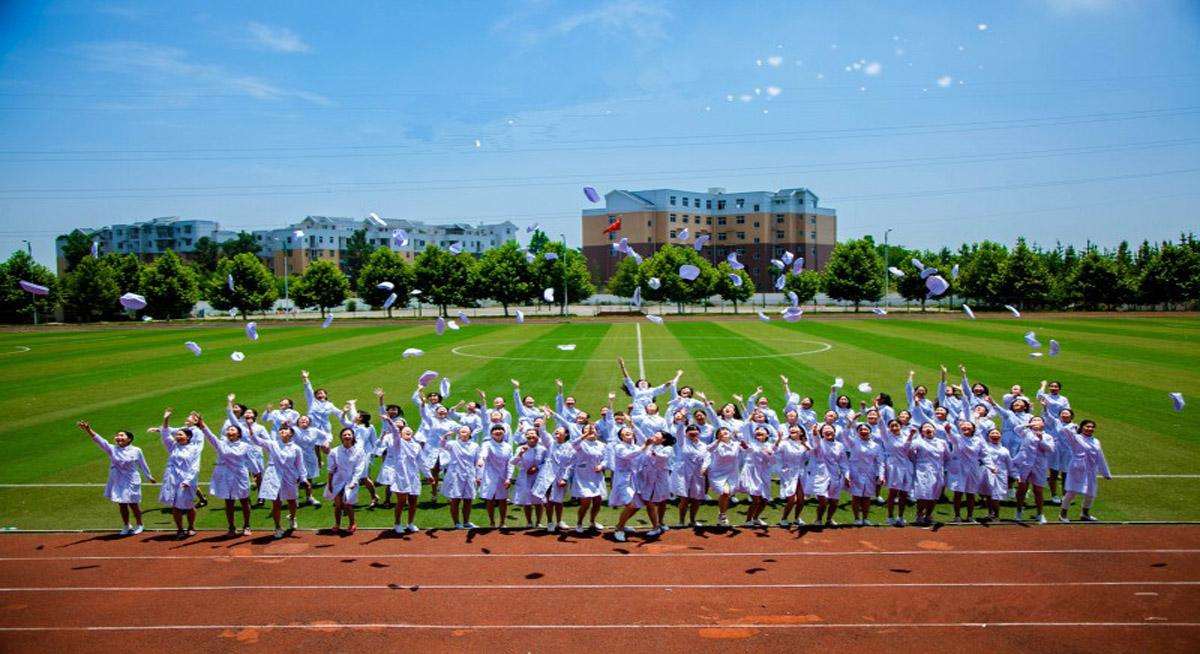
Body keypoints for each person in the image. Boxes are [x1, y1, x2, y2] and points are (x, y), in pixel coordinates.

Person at [78, 420, 154, 535]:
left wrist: (149, 476)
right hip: (117, 479)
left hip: (131, 479)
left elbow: (142, 464)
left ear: (129, 439)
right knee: (121, 503)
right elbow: (99, 440)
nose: (118, 437)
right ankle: (126, 525)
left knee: (133, 504)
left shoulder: (136, 450)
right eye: (117, 435)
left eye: (122, 435)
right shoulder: (112, 449)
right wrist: (88, 429)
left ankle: (140, 524)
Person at [247, 420, 306, 539]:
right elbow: (257, 441)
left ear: (291, 434)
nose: (282, 431)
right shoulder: (273, 444)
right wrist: (250, 429)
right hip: (274, 474)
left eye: (285, 430)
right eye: (281, 430)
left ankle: (292, 517)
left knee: (292, 501)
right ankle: (278, 527)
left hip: (289, 474)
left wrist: (303, 478)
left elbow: (300, 465)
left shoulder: (296, 448)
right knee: (276, 502)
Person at [208, 400, 257, 535]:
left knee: (244, 500)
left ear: (239, 434)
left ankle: (247, 525)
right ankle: (231, 527)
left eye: (233, 429)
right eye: (229, 429)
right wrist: (202, 425)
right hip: (225, 474)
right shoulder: (221, 443)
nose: (230, 431)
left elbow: (251, 460)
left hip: (240, 474)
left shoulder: (245, 445)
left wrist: (256, 473)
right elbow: (210, 436)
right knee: (229, 501)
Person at [1049, 417, 1112, 522]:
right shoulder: (1076, 438)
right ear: (1082, 427)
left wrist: (1105, 472)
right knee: (1072, 491)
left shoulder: (1096, 441)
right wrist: (1072, 425)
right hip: (1078, 468)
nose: (1090, 429)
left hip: (1091, 469)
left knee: (1091, 493)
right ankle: (1063, 514)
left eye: (1092, 427)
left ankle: (1085, 514)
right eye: (1087, 426)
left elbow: (1100, 456)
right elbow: (1063, 430)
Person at [157, 409, 203, 538]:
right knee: (175, 505)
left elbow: (195, 466)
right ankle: (180, 529)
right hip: (172, 479)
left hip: (187, 480)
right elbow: (165, 435)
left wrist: (188, 481)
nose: (177, 436)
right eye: (177, 434)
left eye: (180, 434)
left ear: (188, 437)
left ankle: (191, 527)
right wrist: (166, 419)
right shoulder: (173, 446)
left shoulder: (194, 449)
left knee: (188, 505)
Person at [379, 417, 423, 533]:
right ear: (401, 434)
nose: (408, 432)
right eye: (405, 431)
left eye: (410, 431)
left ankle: (410, 523)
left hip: (414, 477)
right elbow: (394, 431)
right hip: (401, 477)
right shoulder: (398, 443)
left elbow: (421, 462)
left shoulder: (417, 446)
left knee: (413, 501)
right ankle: (397, 524)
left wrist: (429, 475)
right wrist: (389, 420)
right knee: (401, 501)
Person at [839, 420, 885, 526]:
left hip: (870, 473)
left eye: (865, 429)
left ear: (870, 431)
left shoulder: (876, 446)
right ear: (857, 432)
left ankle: (865, 518)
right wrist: (850, 421)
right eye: (860, 430)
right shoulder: (853, 442)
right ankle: (857, 518)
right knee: (856, 496)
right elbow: (844, 434)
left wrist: (881, 475)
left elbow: (880, 462)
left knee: (867, 497)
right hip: (855, 472)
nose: (863, 431)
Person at [532, 421, 575, 532]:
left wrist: (565, 478)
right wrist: (544, 419)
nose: (556, 432)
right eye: (556, 431)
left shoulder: (569, 447)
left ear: (566, 434)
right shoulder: (551, 443)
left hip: (560, 476)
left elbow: (569, 465)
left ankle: (560, 521)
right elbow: (542, 432)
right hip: (548, 475)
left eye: (559, 431)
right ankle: (550, 522)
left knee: (559, 501)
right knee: (549, 500)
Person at [629, 431, 673, 538]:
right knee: (648, 501)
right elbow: (640, 437)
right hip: (647, 477)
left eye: (657, 435)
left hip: (661, 477)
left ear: (663, 439)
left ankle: (661, 523)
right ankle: (655, 526)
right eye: (653, 434)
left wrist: (652, 451)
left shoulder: (668, 448)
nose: (653, 436)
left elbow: (663, 457)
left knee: (662, 500)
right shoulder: (649, 445)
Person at [325, 427, 367, 534]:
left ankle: (352, 523)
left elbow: (359, 468)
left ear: (353, 437)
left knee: (348, 503)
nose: (347, 436)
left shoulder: (359, 451)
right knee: (338, 504)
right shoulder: (334, 451)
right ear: (341, 437)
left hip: (351, 480)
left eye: (349, 434)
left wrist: (354, 481)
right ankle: (337, 524)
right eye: (345, 435)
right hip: (337, 480)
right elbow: (330, 469)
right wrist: (329, 484)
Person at [339, 400, 380, 508]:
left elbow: (374, 441)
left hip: (363, 455)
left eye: (358, 414)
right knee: (349, 476)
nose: (355, 415)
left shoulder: (369, 427)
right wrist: (344, 411)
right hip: (350, 454)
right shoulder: (352, 426)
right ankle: (349, 499)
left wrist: (373, 454)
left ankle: (374, 496)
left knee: (364, 478)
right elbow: (343, 420)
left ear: (361, 418)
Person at [807, 423, 849, 526]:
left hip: (836, 475)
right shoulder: (820, 443)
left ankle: (829, 519)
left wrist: (847, 475)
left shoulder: (840, 445)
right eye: (825, 429)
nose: (828, 431)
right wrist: (814, 432)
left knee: (834, 501)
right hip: (821, 475)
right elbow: (816, 440)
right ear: (821, 433)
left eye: (830, 429)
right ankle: (818, 519)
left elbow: (843, 462)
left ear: (834, 432)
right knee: (823, 500)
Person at [908, 423, 948, 526]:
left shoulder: (942, 442)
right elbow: (911, 455)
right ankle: (919, 514)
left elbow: (947, 456)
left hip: (938, 470)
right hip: (923, 470)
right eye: (925, 427)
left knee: (935, 494)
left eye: (930, 427)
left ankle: (929, 515)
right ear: (922, 432)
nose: (928, 429)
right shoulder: (917, 442)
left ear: (935, 430)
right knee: (923, 493)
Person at [440, 425, 480, 529]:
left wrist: (478, 475)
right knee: (455, 499)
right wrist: (445, 436)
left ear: (470, 433)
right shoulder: (453, 444)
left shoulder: (475, 445)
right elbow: (443, 445)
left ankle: (466, 521)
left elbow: (477, 461)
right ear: (459, 434)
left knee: (468, 499)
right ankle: (457, 522)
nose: (464, 433)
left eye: (466, 431)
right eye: (462, 431)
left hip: (469, 474)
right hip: (455, 474)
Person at [945, 420, 984, 523]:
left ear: (973, 429)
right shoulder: (958, 438)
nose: (965, 427)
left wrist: (991, 466)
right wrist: (948, 431)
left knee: (971, 493)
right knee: (958, 492)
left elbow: (984, 454)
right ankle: (957, 516)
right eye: (963, 426)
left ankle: (970, 516)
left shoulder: (979, 440)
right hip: (959, 468)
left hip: (973, 468)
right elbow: (951, 438)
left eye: (968, 425)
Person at [608, 426, 643, 538]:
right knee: (630, 504)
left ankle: (621, 524)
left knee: (637, 505)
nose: (628, 432)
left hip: (635, 479)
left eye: (629, 431)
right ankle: (619, 529)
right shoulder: (619, 447)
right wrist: (645, 447)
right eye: (624, 432)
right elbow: (628, 456)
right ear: (621, 436)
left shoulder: (635, 446)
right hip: (623, 480)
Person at [738, 426, 776, 527]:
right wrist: (742, 441)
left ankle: (756, 518)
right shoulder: (751, 443)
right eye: (757, 430)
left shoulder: (770, 446)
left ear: (767, 435)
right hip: (751, 473)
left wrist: (770, 454)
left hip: (764, 473)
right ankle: (748, 520)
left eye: (762, 430)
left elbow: (773, 462)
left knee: (765, 499)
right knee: (756, 498)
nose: (759, 431)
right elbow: (746, 447)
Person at [673, 424, 710, 527]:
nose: (693, 433)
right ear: (686, 433)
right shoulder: (682, 442)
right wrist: (682, 421)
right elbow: (679, 432)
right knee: (684, 498)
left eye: (695, 431)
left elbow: (707, 458)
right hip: (683, 473)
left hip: (698, 473)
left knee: (696, 499)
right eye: (690, 431)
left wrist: (704, 467)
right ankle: (681, 521)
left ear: (699, 433)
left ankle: (693, 520)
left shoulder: (703, 445)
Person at [511, 427, 548, 528]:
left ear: (538, 436)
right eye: (529, 434)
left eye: (533, 434)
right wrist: (521, 453)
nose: (531, 436)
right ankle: (529, 522)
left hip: (539, 476)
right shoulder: (520, 448)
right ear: (526, 436)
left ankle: (538, 522)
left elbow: (547, 462)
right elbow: (513, 462)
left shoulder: (543, 449)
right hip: (525, 476)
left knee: (538, 499)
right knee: (526, 500)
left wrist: (537, 468)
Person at [478, 425, 514, 528]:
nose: (498, 432)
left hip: (503, 475)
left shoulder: (508, 446)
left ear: (504, 432)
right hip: (490, 475)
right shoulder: (487, 444)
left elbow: (510, 463)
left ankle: (502, 522)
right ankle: (492, 522)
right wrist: (481, 459)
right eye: (495, 430)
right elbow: (484, 453)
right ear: (491, 433)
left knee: (503, 499)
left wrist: (508, 478)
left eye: (500, 430)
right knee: (490, 499)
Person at [617, 357, 682, 416]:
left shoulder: (652, 390)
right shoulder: (634, 390)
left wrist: (671, 380)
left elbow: (664, 387)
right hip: (637, 413)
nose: (643, 382)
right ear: (637, 385)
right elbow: (628, 379)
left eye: (645, 382)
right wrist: (622, 366)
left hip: (649, 413)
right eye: (641, 382)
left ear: (648, 385)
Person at [704, 427, 741, 526]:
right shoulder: (716, 445)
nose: (724, 432)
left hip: (732, 473)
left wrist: (740, 438)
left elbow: (749, 450)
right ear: (718, 436)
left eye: (726, 431)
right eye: (721, 432)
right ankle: (722, 514)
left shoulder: (736, 444)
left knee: (726, 494)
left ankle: (722, 514)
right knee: (724, 492)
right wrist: (718, 440)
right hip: (717, 473)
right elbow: (708, 449)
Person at [880, 420, 915, 526]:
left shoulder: (906, 436)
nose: (894, 427)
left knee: (904, 493)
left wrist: (911, 436)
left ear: (901, 426)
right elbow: (881, 424)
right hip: (894, 466)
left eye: (896, 425)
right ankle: (890, 517)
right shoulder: (886, 437)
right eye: (892, 426)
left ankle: (900, 516)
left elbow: (906, 449)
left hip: (906, 466)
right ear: (889, 428)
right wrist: (877, 410)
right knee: (893, 493)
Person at [776, 425, 811, 527]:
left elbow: (809, 456)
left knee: (801, 499)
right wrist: (778, 440)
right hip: (789, 473)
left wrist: (805, 445)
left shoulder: (804, 443)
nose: (793, 433)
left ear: (800, 433)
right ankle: (784, 518)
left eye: (796, 431)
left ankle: (797, 518)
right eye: (791, 431)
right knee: (791, 499)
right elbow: (775, 450)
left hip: (801, 472)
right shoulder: (784, 443)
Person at [292, 415, 330, 507]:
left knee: (309, 478)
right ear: (298, 422)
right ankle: (294, 499)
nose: (304, 420)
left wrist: (326, 442)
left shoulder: (314, 430)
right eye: (301, 419)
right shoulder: (294, 430)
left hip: (310, 456)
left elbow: (327, 436)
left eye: (306, 419)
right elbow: (283, 431)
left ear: (309, 422)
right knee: (296, 478)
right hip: (296, 457)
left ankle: (309, 497)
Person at [978, 428, 1012, 521]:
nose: (995, 435)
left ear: (1000, 436)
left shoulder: (1005, 449)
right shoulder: (985, 447)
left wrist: (1013, 475)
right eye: (992, 433)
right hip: (987, 472)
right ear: (988, 436)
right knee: (989, 494)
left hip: (1000, 474)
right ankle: (991, 513)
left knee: (996, 495)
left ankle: (996, 514)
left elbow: (1009, 463)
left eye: (997, 433)